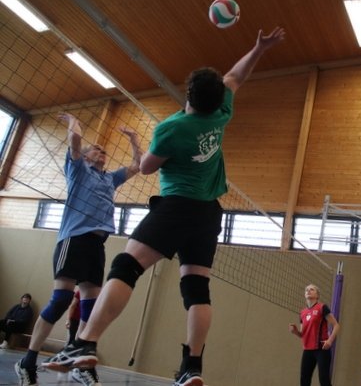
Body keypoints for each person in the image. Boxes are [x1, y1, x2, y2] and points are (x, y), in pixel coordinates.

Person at [46, 27, 286, 386]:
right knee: (197, 289)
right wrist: (259, 49)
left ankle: (85, 342)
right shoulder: (222, 112)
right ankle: (192, 366)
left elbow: (146, 167)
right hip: (209, 213)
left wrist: (147, 148)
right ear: (217, 97)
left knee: (126, 266)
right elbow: (236, 77)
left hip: (176, 206)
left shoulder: (172, 128)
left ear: (188, 94)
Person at [14, 113, 141, 386]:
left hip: (97, 245)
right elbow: (74, 140)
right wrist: (73, 120)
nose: (102, 151)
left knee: (91, 308)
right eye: (96, 148)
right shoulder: (78, 170)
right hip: (73, 239)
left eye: (104, 150)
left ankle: (79, 363)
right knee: (61, 299)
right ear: (84, 156)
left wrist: (134, 139)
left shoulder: (110, 179)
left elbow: (137, 166)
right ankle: (27, 361)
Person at [288, 284, 340, 386]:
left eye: (311, 289)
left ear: (317, 295)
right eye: (306, 290)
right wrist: (295, 331)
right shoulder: (302, 313)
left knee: (324, 380)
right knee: (304, 380)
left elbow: (336, 325)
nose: (308, 291)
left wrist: (330, 341)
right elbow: (302, 334)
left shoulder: (322, 307)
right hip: (307, 350)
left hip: (322, 348)